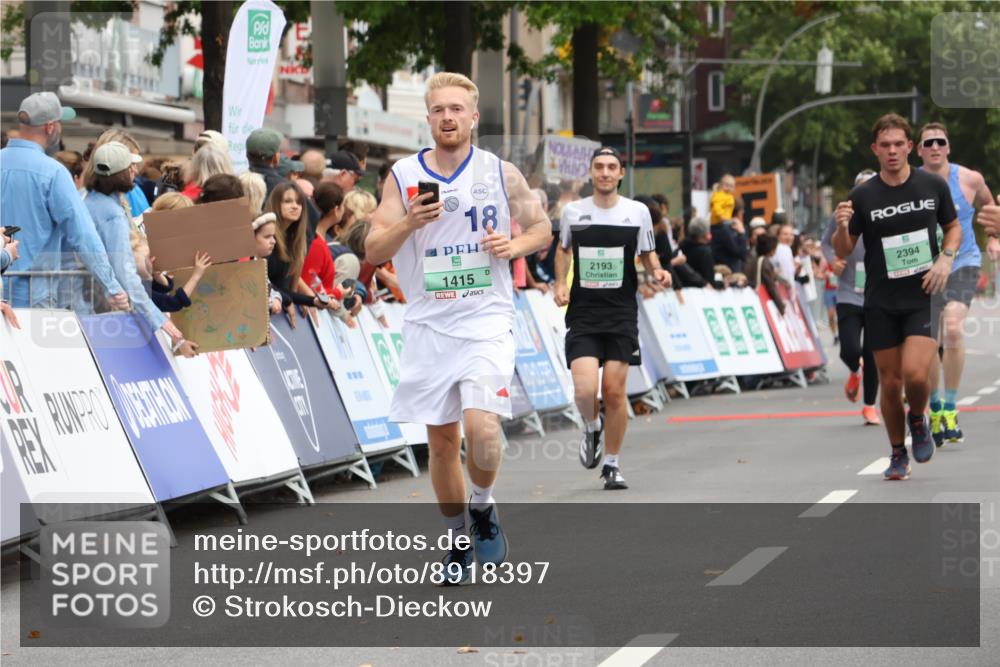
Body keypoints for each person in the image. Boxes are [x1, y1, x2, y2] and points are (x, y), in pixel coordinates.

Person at [366, 71, 550, 585]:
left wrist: (512, 247)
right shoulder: (402, 176)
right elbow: (373, 250)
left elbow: (541, 228)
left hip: (486, 318)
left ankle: (484, 506)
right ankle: (456, 538)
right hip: (428, 323)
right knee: (443, 443)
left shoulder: (499, 171)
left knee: (483, 428)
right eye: (438, 110)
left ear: (473, 117)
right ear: (428, 118)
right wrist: (409, 223)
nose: (447, 117)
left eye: (456, 109)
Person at [833, 113, 960, 480]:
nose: (891, 151)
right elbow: (844, 248)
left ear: (910, 147)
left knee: (916, 374)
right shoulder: (863, 195)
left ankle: (917, 419)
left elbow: (951, 228)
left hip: (923, 293)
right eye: (884, 145)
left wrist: (945, 260)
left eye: (898, 144)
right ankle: (896, 453)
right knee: (890, 383)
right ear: (875, 150)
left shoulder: (932, 186)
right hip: (881, 300)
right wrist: (842, 225)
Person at [553, 147, 672, 490]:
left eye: (611, 167)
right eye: (599, 167)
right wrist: (561, 283)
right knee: (586, 389)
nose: (605, 173)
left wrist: (659, 272)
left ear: (621, 173)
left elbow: (648, 254)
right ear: (591, 173)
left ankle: (612, 463)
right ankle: (592, 427)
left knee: (615, 393)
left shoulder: (637, 213)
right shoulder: (573, 212)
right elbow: (562, 251)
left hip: (621, 313)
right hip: (584, 312)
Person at [1, 92, 129, 311]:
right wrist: (112, 286)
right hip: (35, 295)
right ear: (50, 127)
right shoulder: (53, 173)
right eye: (59, 122)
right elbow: (84, 235)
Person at [916, 122, 999, 446]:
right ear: (920, 150)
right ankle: (934, 408)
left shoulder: (970, 179)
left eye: (940, 142)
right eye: (928, 143)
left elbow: (990, 208)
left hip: (963, 261)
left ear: (948, 147)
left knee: (952, 328)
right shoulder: (911, 181)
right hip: (926, 268)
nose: (935, 147)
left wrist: (994, 237)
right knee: (930, 340)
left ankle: (950, 407)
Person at [85, 142, 195, 356]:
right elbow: (125, 275)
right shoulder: (112, 215)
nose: (135, 171)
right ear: (118, 175)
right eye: (129, 168)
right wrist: (169, 329)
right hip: (103, 315)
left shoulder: (91, 200)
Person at [822, 169, 880, 425]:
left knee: (872, 353)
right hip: (848, 292)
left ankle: (869, 407)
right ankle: (855, 371)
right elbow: (825, 243)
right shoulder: (843, 215)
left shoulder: (884, 213)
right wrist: (832, 261)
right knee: (850, 349)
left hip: (877, 294)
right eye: (861, 188)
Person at [246, 128, 286, 196]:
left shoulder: (236, 184)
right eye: (279, 151)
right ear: (275, 158)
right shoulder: (286, 187)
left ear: (247, 155)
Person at [679, 217, 716, 286]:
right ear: (705, 232)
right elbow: (709, 278)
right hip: (701, 291)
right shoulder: (705, 252)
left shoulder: (682, 246)